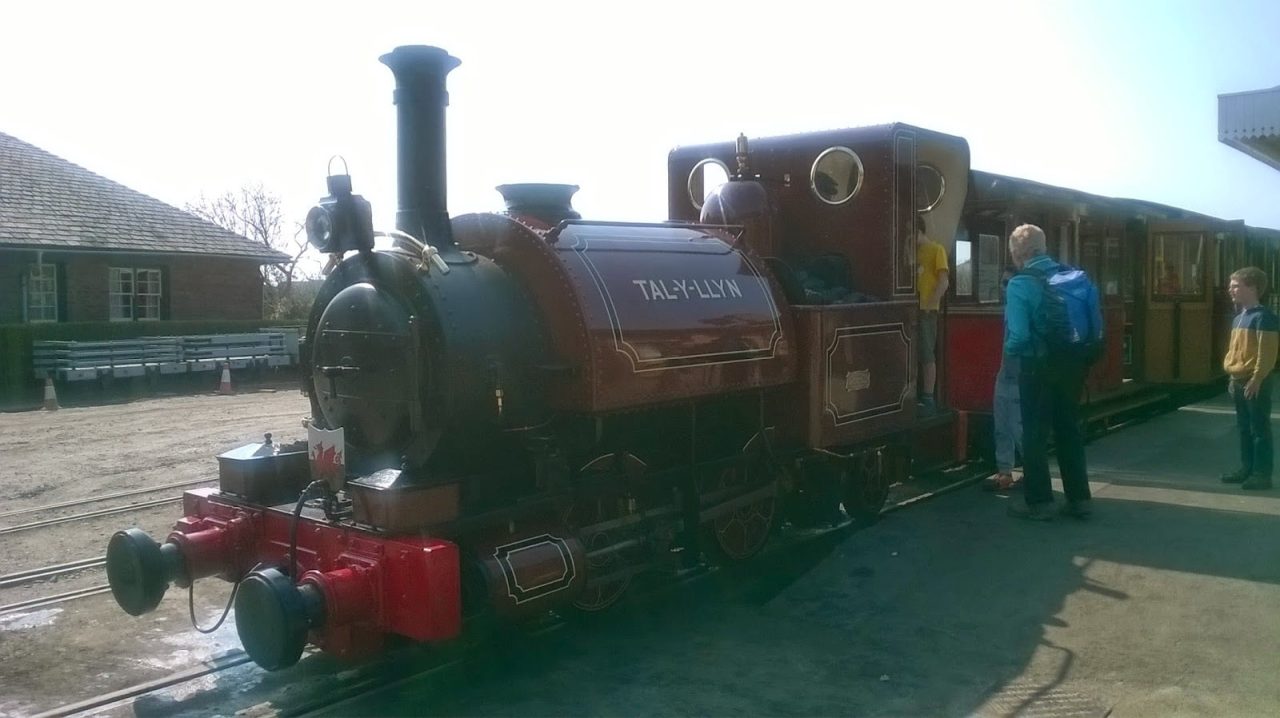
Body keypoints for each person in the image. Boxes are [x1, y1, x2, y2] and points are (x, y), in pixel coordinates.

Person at [1003, 224, 1101, 520]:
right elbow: (1096, 328)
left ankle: (1040, 503)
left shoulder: (1020, 285)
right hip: (1073, 365)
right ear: (1043, 247)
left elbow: (1018, 336)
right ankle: (1080, 500)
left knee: (1034, 434)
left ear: (1020, 253)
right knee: (1068, 429)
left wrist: (1009, 352)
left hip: (1038, 367)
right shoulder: (1078, 278)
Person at [1219, 267, 1277, 490]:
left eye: (1236, 286)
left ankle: (1262, 474)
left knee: (1259, 428)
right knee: (1244, 427)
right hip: (1238, 379)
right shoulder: (1239, 318)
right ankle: (1247, 468)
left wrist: (1257, 378)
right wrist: (1232, 375)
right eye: (1231, 286)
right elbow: (1235, 350)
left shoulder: (1264, 318)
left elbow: (1267, 352)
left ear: (1252, 288)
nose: (1230, 290)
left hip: (1254, 381)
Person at [985, 268, 1023, 491]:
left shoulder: (1017, 308)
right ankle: (1004, 471)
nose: (1002, 287)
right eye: (1002, 283)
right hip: (1005, 372)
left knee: (1018, 427)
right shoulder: (1009, 308)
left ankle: (1032, 471)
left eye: (1007, 283)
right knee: (1002, 425)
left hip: (1017, 374)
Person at [916, 215, 949, 414]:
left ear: (919, 231)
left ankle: (928, 396)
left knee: (927, 352)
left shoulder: (937, 250)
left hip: (927, 311)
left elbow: (944, 282)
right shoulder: (914, 253)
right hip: (913, 309)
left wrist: (930, 303)